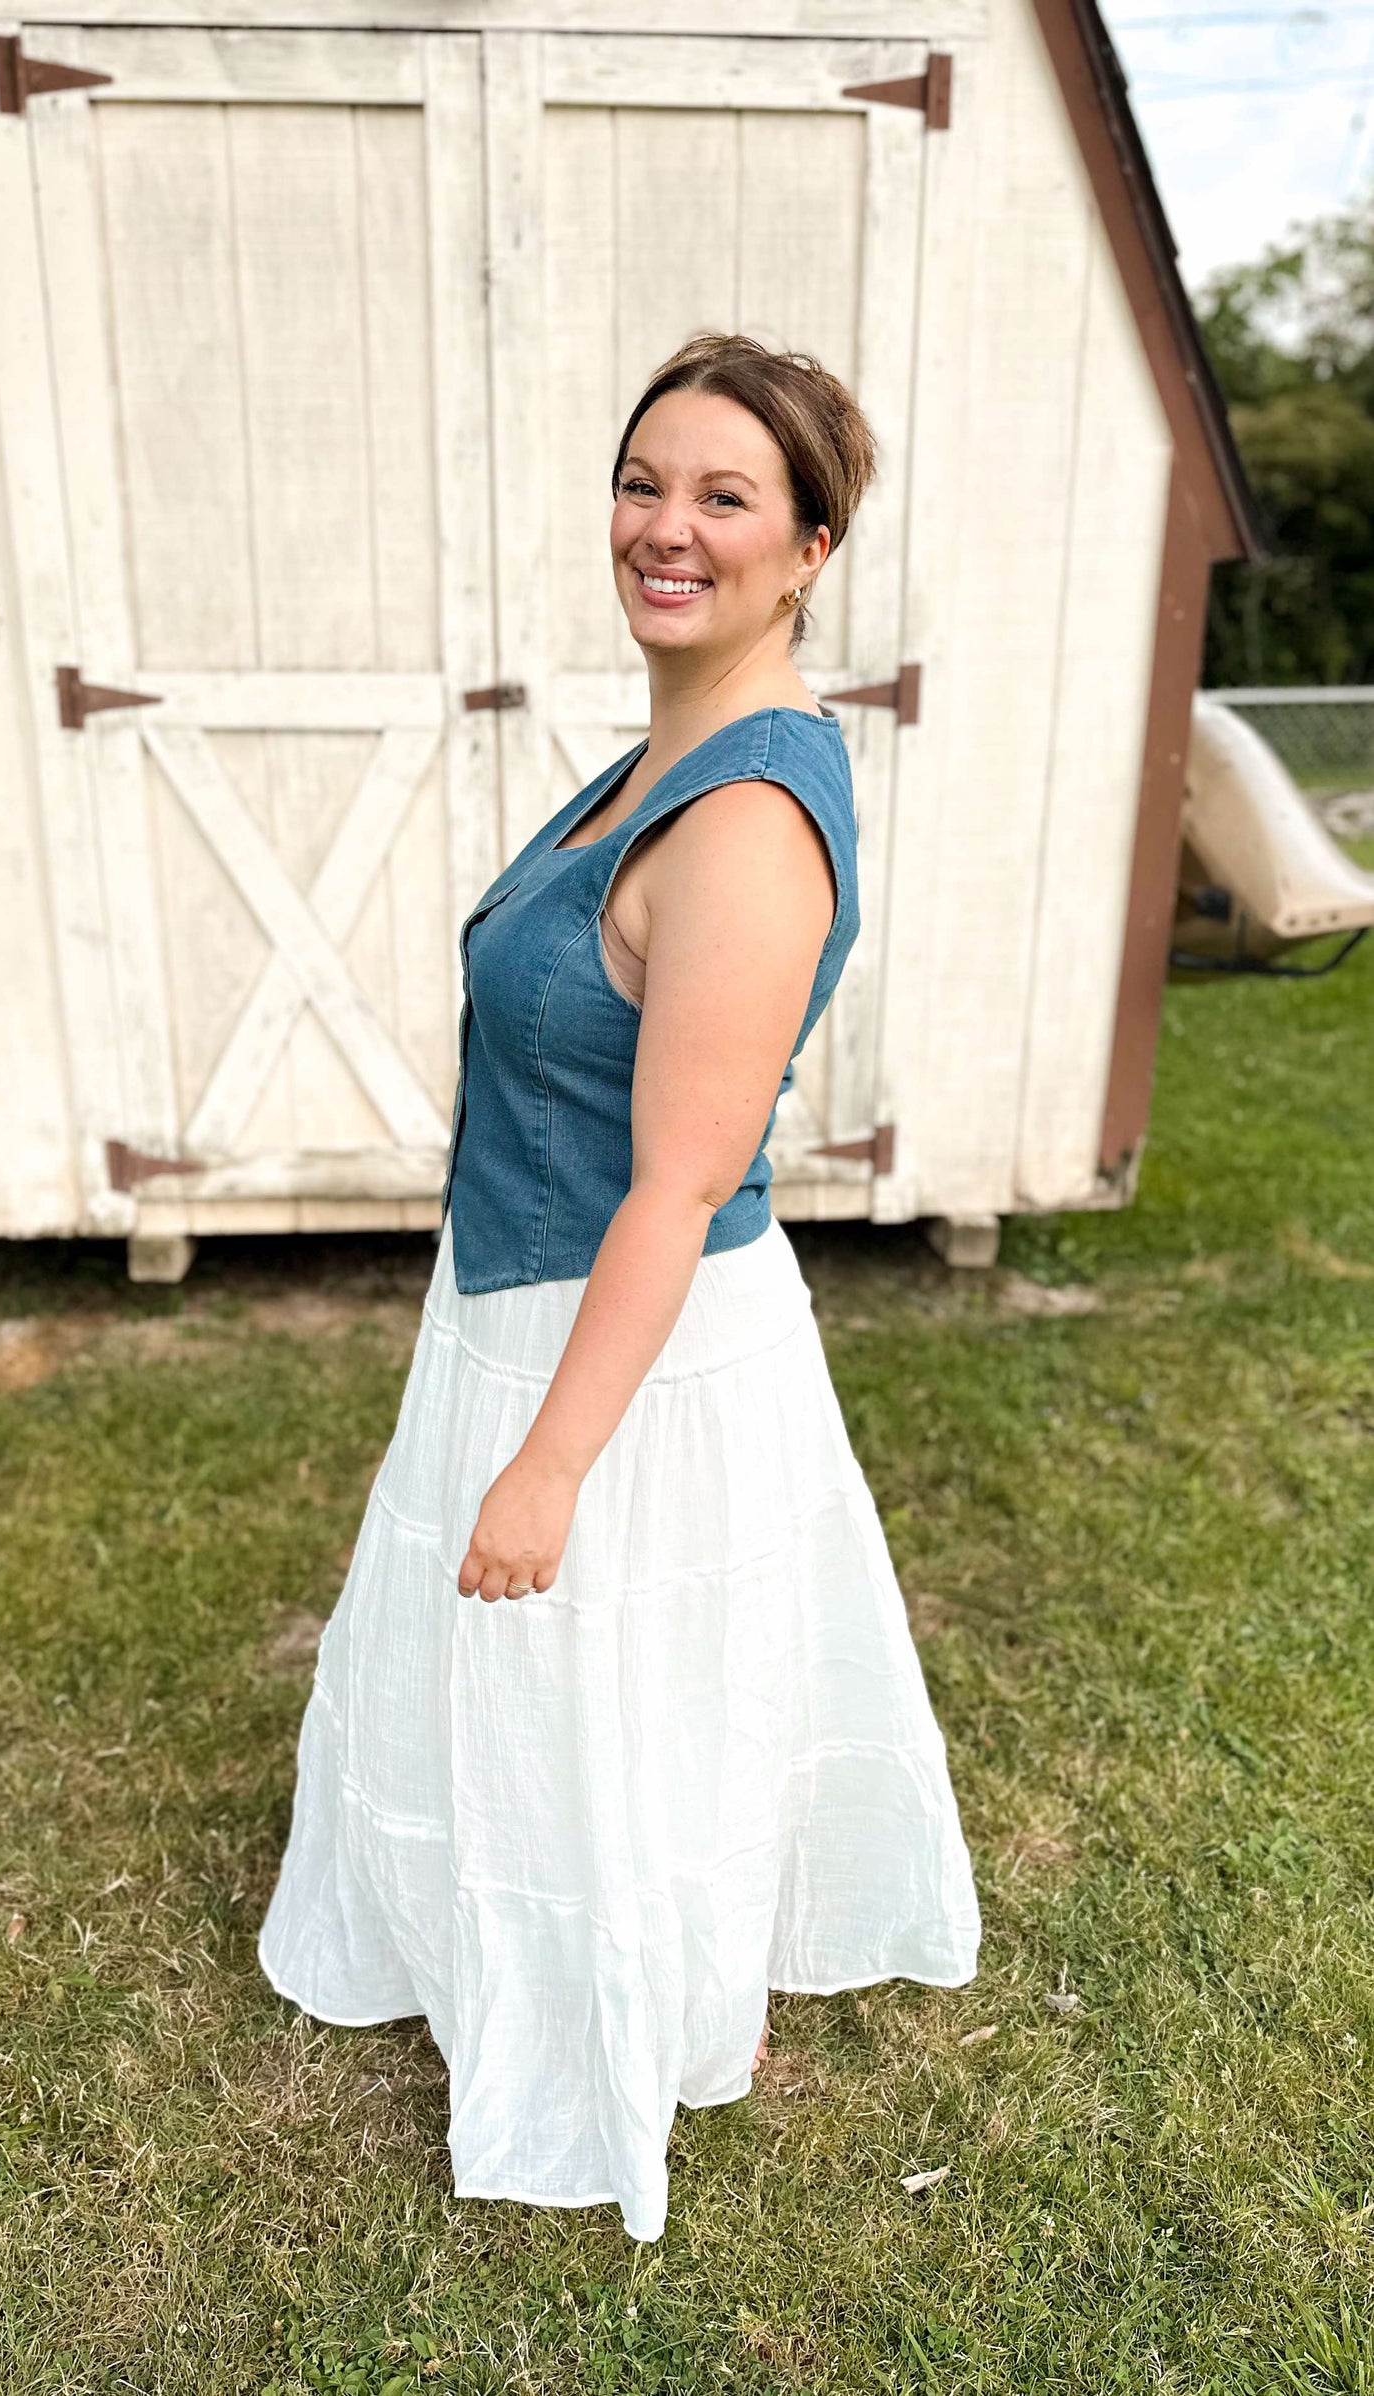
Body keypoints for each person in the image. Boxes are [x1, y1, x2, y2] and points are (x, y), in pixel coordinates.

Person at [258, 331, 981, 2244]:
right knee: (551, 1694)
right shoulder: (656, 752)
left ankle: (615, 2018)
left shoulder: (741, 818)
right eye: (644, 481)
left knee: (610, 1687)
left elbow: (675, 1184)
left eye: (725, 496)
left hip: (629, 1345)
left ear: (811, 545)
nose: (668, 527)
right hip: (532, 1297)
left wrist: (550, 1464)